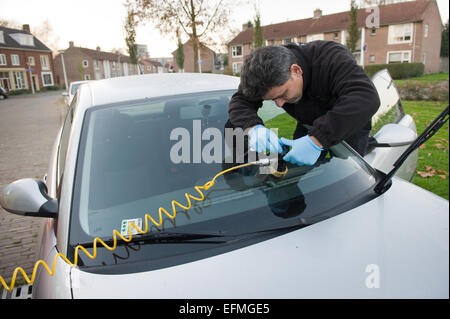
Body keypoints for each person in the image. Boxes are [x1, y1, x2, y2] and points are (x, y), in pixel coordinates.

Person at [228, 40, 380, 166]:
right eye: (272, 100)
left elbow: (366, 97)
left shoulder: (331, 58)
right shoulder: (261, 75)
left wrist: (317, 140)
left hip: (348, 124)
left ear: (296, 70)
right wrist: (253, 127)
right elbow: (240, 101)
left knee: (346, 172)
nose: (279, 105)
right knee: (296, 167)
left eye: (282, 94)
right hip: (308, 124)